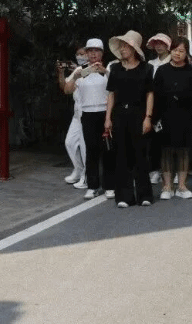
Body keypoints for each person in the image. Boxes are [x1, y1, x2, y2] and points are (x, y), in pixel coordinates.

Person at [105, 31, 155, 208]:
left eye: (126, 46)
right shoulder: (115, 68)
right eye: (121, 46)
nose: (122, 49)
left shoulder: (146, 68)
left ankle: (144, 195)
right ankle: (124, 196)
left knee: (140, 153)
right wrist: (107, 118)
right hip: (119, 113)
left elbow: (150, 94)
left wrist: (148, 117)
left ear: (134, 49)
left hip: (138, 112)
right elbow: (111, 94)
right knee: (121, 155)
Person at [63, 38, 115, 200]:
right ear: (86, 53)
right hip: (87, 114)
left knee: (107, 151)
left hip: (105, 113)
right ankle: (92, 186)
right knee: (91, 151)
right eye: (90, 51)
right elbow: (67, 90)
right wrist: (75, 76)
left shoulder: (108, 69)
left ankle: (110, 186)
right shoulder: (81, 70)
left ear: (102, 53)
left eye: (96, 51)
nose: (93, 54)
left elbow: (116, 90)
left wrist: (105, 71)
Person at [152, 37, 192, 200]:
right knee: (166, 151)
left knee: (183, 151)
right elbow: (155, 93)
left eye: (181, 51)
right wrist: (154, 117)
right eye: (175, 50)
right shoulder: (162, 70)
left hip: (186, 115)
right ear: (170, 51)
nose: (177, 54)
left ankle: (181, 185)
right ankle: (167, 186)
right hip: (165, 115)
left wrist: (181, 95)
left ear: (186, 53)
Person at [56, 46, 88, 189]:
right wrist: (61, 73)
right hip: (77, 114)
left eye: (82, 53)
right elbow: (65, 88)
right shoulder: (77, 70)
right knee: (70, 142)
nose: (79, 56)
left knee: (85, 148)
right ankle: (78, 170)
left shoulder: (94, 69)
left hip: (87, 112)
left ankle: (87, 176)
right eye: (77, 54)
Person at [146, 33, 173, 184]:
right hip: (153, 103)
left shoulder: (173, 61)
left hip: (169, 103)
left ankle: (173, 170)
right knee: (155, 138)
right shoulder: (150, 63)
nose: (159, 46)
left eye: (162, 43)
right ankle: (155, 169)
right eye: (156, 44)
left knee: (171, 137)